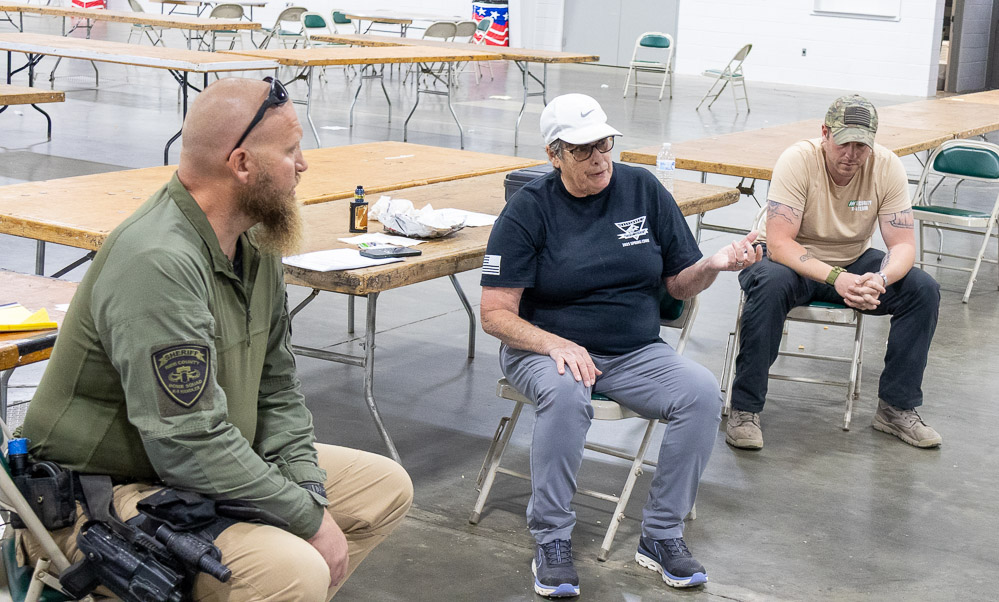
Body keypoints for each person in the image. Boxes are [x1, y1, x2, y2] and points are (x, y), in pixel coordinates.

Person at [18, 77, 413, 601]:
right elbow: (187, 443)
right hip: (97, 495)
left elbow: (276, 387)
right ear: (242, 163)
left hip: (194, 468)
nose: (303, 165)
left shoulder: (254, 242)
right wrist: (308, 519)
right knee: (292, 570)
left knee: (382, 488)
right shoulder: (159, 261)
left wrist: (306, 487)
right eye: (290, 151)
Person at [479, 93, 762, 597]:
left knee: (700, 393)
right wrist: (553, 344)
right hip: (544, 349)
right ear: (554, 155)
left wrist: (713, 265)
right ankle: (552, 539)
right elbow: (495, 313)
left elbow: (679, 285)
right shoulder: (529, 210)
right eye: (583, 150)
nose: (599, 159)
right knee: (567, 392)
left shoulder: (642, 189)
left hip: (634, 351)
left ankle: (661, 534)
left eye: (604, 144)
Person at [725, 94, 942, 451]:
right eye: (844, 143)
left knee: (922, 289)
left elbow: (903, 245)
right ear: (825, 133)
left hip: (852, 261)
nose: (851, 155)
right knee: (769, 286)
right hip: (788, 262)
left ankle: (896, 408)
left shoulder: (886, 166)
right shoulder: (798, 160)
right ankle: (745, 409)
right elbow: (779, 243)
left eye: (861, 146)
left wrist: (880, 279)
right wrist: (836, 277)